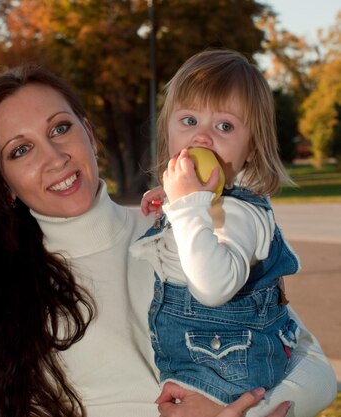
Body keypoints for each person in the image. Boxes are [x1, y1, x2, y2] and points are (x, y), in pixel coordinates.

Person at [0, 65, 337, 417]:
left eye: (60, 128)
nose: (55, 157)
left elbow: (313, 368)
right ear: (4, 184)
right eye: (21, 150)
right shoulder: (5, 293)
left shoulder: (186, 231)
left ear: (89, 132)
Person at [132, 49, 307, 405]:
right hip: (197, 366)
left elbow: (212, 289)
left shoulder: (241, 215)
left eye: (224, 126)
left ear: (252, 149)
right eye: (189, 121)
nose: (202, 138)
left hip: (228, 376)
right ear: (167, 132)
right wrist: (173, 197)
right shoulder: (207, 201)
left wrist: (184, 207)